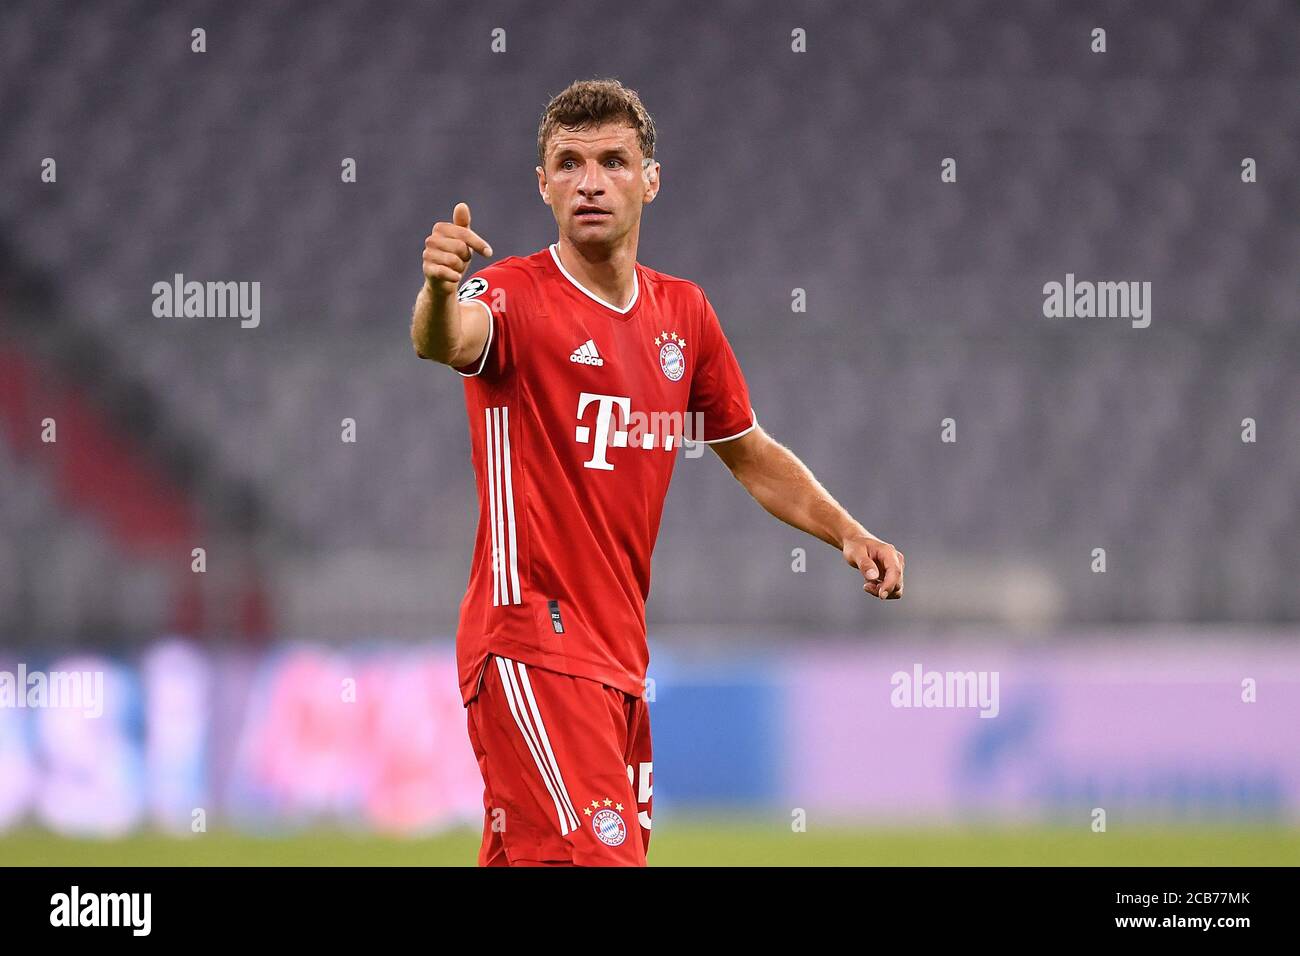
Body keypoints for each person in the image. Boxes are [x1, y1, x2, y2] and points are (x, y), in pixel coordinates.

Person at [410, 77, 904, 866]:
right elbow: (446, 340)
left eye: (613, 160)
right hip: (531, 642)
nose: (591, 181)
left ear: (651, 179)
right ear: (543, 186)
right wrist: (437, 292)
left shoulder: (685, 315)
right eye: (568, 164)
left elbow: (749, 450)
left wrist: (846, 530)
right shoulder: (508, 295)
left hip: (617, 663)